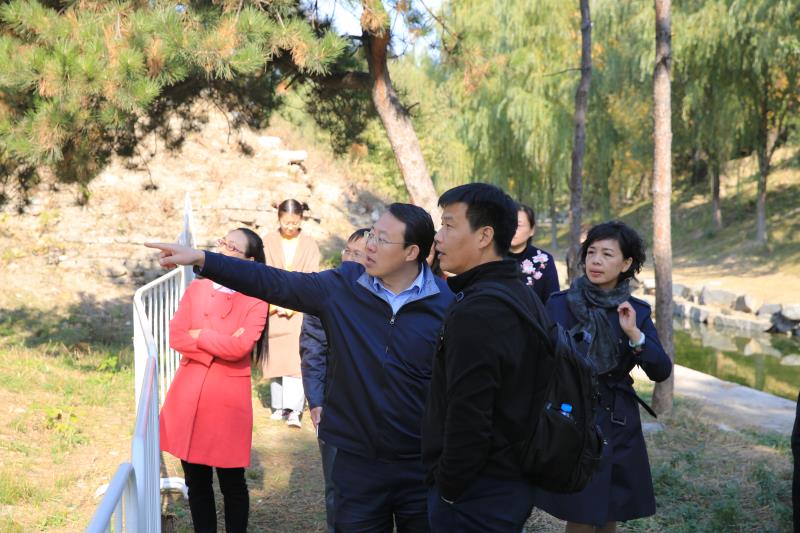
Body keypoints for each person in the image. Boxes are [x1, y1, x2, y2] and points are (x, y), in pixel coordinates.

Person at [147, 202, 453, 533]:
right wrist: (203, 259)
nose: (370, 245)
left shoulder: (448, 304)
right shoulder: (344, 285)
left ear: (411, 252)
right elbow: (275, 282)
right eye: (371, 235)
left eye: (382, 239)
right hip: (357, 462)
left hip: (420, 465)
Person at [422, 183, 554, 532]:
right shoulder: (518, 294)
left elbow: (470, 416)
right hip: (510, 481)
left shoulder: (479, 311)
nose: (438, 237)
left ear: (484, 236)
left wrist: (448, 489)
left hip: (477, 493)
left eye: (449, 225)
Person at [533, 220, 673, 533]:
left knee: (608, 507)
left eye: (607, 254)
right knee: (583, 509)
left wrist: (634, 334)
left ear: (626, 264)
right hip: (570, 416)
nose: (596, 260)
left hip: (616, 418)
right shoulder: (558, 304)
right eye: (591, 252)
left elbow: (661, 370)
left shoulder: (635, 311)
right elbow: (535, 359)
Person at [159, 227, 269, 533]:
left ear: (249, 260)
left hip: (227, 399)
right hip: (190, 392)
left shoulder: (257, 299)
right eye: (223, 242)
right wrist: (220, 342)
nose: (223, 249)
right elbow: (177, 336)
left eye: (232, 247)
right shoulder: (197, 289)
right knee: (196, 481)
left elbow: (240, 347)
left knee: (232, 481)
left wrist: (201, 335)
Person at [300, 227, 369, 533]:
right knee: (337, 485)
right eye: (347, 252)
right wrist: (315, 400)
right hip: (334, 403)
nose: (350, 260)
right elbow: (313, 349)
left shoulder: (388, 294)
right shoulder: (327, 292)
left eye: (359, 254)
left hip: (378, 409)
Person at [264, 199, 320, 429]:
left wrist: (293, 304)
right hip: (272, 307)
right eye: (286, 222)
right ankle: (279, 406)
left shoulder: (309, 244)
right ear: (278, 218)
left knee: (296, 359)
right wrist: (274, 302)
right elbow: (262, 273)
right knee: (275, 358)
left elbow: (312, 276)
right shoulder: (268, 241)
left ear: (301, 219)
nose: (289, 227)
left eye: (294, 223)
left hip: (298, 308)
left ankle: (295, 408)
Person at [508, 203, 560, 304]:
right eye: (509, 223)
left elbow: (552, 302)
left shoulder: (544, 260)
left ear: (532, 230)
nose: (512, 229)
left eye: (518, 225)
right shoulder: (492, 257)